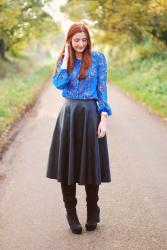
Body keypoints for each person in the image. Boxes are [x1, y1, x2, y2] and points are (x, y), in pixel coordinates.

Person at [46, 23, 112, 234]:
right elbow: (59, 84)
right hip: (69, 116)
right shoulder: (64, 61)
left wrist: (103, 119)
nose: (81, 44)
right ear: (69, 41)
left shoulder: (98, 58)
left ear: (88, 40)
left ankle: (93, 211)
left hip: (91, 115)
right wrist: (66, 59)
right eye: (77, 40)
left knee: (91, 165)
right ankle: (71, 213)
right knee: (68, 167)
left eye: (84, 40)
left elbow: (102, 90)